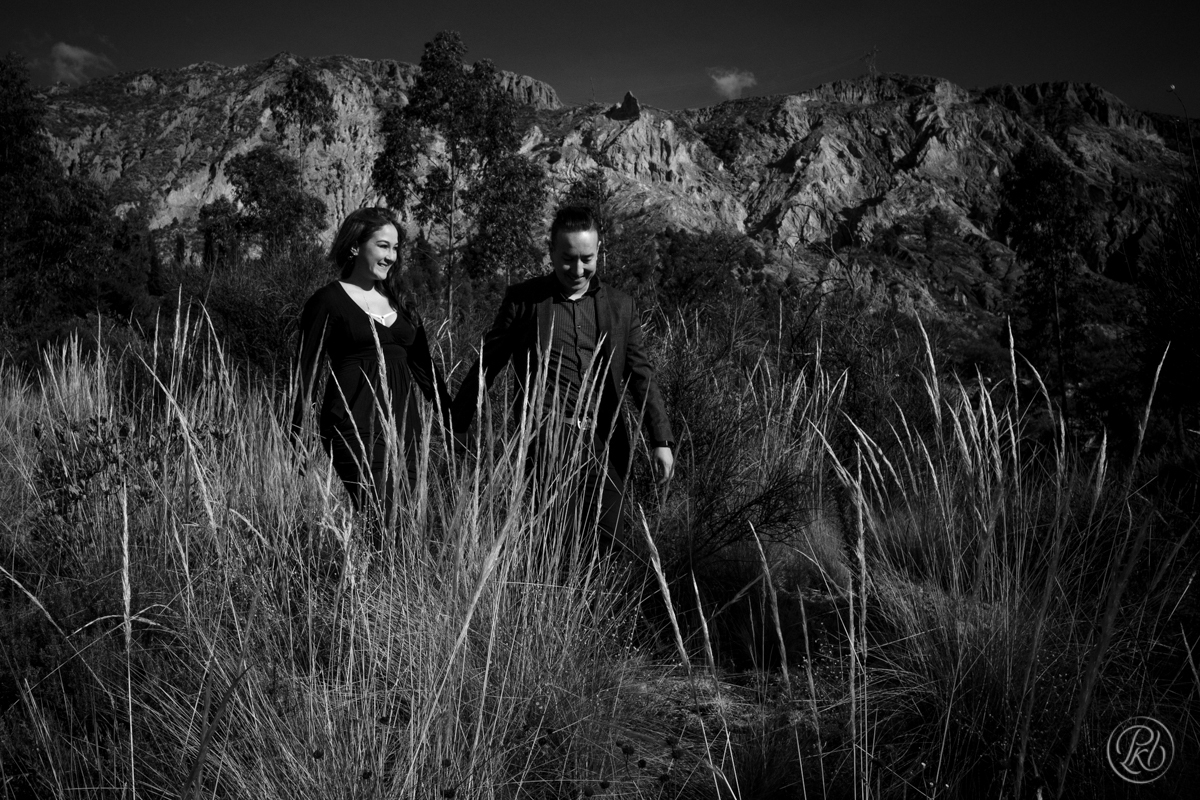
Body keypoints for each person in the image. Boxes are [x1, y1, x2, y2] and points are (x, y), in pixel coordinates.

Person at [451, 204, 674, 552]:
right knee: (558, 544)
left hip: (604, 441)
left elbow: (641, 374)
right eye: (568, 258)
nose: (578, 268)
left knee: (613, 543)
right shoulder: (524, 302)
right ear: (551, 251)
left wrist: (661, 439)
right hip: (547, 442)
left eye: (587, 257)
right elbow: (488, 363)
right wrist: (459, 421)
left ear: (599, 250)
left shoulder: (620, 305)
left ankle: (599, 607)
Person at [292, 207, 450, 523]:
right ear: (354, 246)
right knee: (381, 515)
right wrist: (298, 435)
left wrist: (453, 418)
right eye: (382, 245)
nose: (391, 256)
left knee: (402, 521)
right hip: (353, 424)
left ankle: (373, 573)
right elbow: (304, 372)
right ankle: (367, 571)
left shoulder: (402, 301)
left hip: (406, 428)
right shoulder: (328, 301)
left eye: (395, 248)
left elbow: (422, 366)